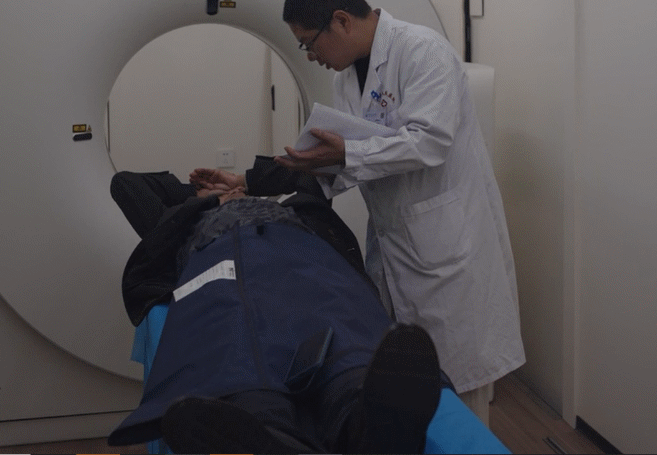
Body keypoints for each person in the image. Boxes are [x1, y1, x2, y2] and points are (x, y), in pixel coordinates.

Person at [268, 0, 525, 421]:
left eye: (309, 43)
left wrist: (347, 153)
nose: (310, 55)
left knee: (459, 395)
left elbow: (429, 141)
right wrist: (253, 182)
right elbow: (352, 158)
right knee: (410, 392)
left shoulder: (423, 51)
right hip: (395, 244)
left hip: (448, 249)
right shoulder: (346, 78)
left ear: (341, 21)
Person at [106, 155, 445, 454]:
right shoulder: (185, 221)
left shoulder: (294, 206)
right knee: (235, 328)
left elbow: (307, 171)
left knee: (338, 316)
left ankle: (362, 420)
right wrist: (203, 196)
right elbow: (125, 184)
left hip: (304, 252)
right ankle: (268, 427)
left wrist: (242, 181)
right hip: (221, 257)